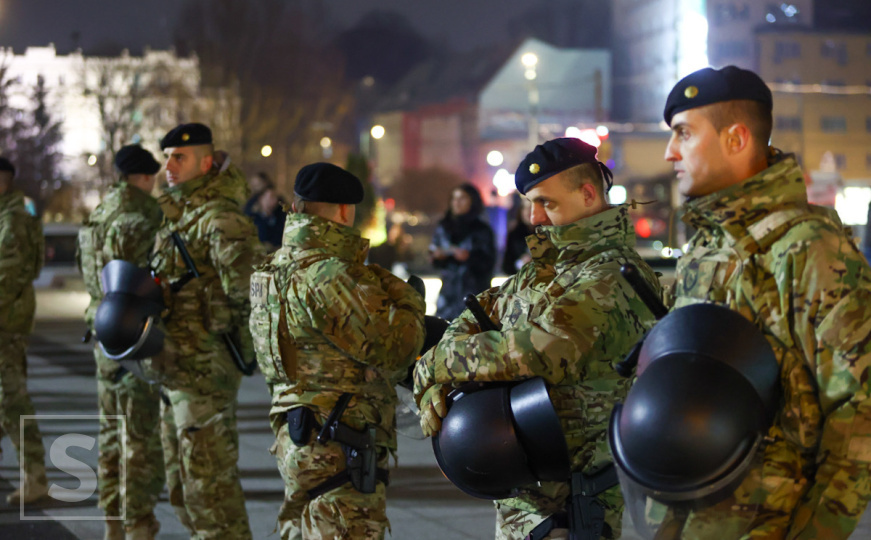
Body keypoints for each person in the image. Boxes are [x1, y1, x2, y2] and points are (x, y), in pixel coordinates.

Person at [659, 65, 871, 538]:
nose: (669, 152)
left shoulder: (809, 247)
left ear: (736, 139)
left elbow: (859, 414)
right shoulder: (705, 249)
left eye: (684, 134)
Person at [414, 138, 661, 540]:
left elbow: (542, 348)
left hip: (572, 502)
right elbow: (472, 317)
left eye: (547, 202)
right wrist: (437, 383)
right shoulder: (539, 273)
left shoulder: (613, 275)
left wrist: (437, 364)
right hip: (525, 495)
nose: (535, 217)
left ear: (587, 194)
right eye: (530, 203)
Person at [249, 162, 426, 539]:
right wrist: (408, 301)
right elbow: (397, 348)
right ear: (345, 211)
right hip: (338, 446)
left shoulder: (272, 269)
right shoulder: (330, 275)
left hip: (296, 437)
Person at [149, 123, 263, 539]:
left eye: (179, 157)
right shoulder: (181, 217)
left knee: (209, 490)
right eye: (167, 158)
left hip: (205, 373)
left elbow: (251, 295)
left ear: (207, 161)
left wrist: (214, 321)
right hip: (174, 368)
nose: (169, 166)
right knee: (182, 488)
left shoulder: (221, 219)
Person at [77, 145, 165, 540]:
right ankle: (139, 524)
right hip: (134, 338)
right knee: (140, 437)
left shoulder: (98, 214)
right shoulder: (143, 216)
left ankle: (112, 521)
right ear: (145, 178)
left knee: (111, 432)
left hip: (101, 333)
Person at [0, 156, 48, 506]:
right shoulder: (10, 212)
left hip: (6, 323)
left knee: (11, 399)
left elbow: (10, 274)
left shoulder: (13, 217)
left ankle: (35, 476)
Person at [429, 183, 496, 319]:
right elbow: (433, 255)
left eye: (462, 198)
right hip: (448, 297)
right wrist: (437, 257)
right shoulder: (444, 228)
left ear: (473, 201)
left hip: (474, 297)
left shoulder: (482, 230)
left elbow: (489, 262)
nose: (457, 203)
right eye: (454, 198)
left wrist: (469, 257)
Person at [501, 195, 533, 275]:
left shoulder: (547, 233)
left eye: (531, 208)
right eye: (524, 208)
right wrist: (520, 263)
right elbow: (506, 266)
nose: (527, 212)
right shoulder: (514, 234)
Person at [251, 185, 286, 251]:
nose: (275, 200)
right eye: (271, 197)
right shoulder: (252, 219)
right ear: (261, 198)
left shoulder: (281, 218)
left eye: (276, 197)